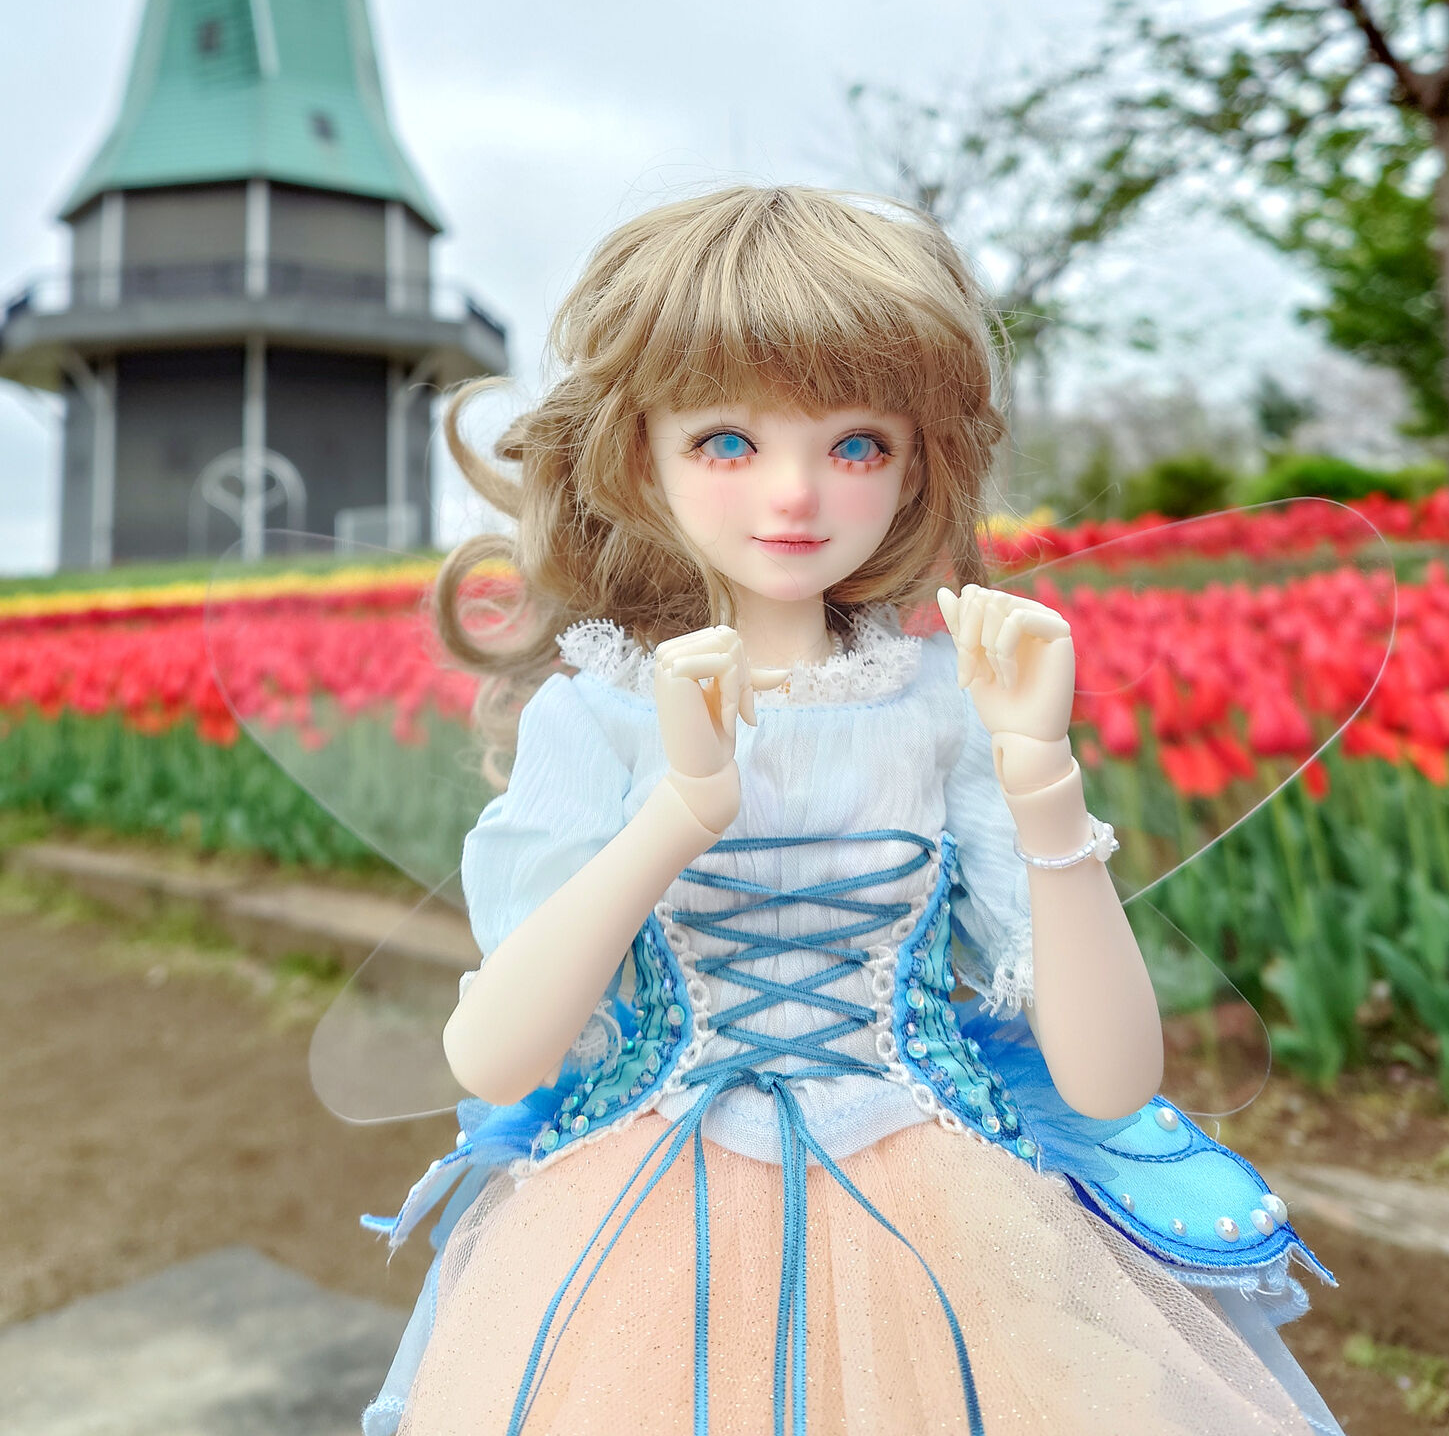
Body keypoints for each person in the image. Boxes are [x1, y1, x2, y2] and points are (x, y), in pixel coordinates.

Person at [364, 185, 1340, 1436]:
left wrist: (1042, 777)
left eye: (858, 444)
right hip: (637, 1217)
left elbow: (1109, 1077)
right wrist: (679, 811)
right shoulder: (597, 712)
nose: (796, 495)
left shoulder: (945, 702)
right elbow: (497, 1056)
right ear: (639, 452)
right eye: (727, 440)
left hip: (950, 1204)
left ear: (917, 459)